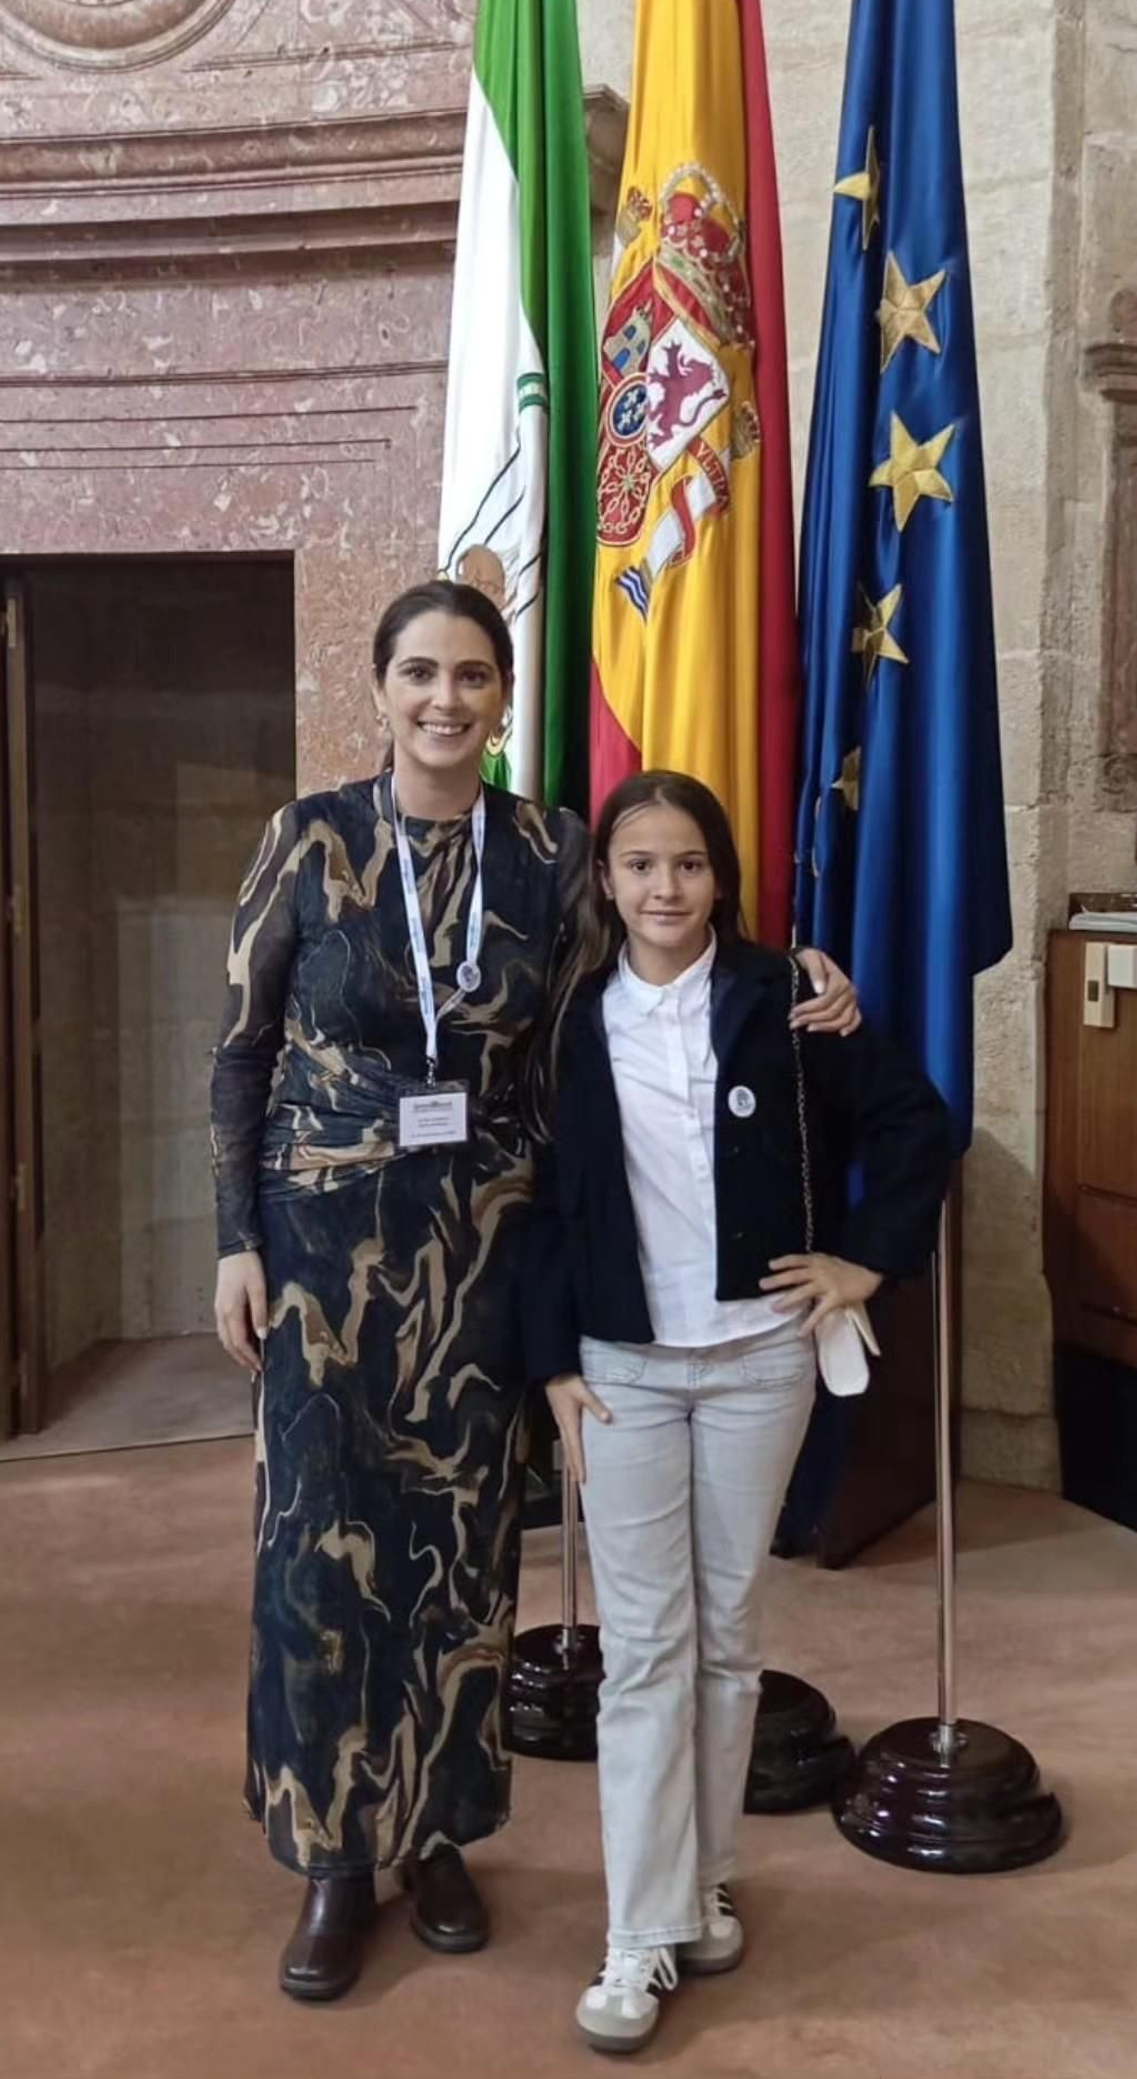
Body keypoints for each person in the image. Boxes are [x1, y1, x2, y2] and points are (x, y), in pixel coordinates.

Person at [209, 580, 862, 2002]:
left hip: (485, 1257)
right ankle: (335, 1854)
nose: (445, 699)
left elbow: (654, 967)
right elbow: (243, 1048)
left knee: (463, 1553)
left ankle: (438, 1831)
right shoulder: (310, 838)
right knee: (318, 1554)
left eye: (472, 676)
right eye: (420, 672)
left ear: (504, 698)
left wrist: (802, 978)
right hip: (323, 1256)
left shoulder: (553, 850)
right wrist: (233, 1238)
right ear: (380, 687)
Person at [525, 771, 950, 2055]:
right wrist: (550, 1363)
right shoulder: (566, 1014)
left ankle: (702, 1885)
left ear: (721, 877)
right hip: (622, 1370)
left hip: (761, 1362)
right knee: (645, 1650)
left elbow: (916, 1125)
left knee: (726, 1641)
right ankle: (636, 1932)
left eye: (689, 864)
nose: (665, 888)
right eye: (639, 865)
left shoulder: (789, 997)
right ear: (606, 882)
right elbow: (536, 1201)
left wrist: (864, 1262)